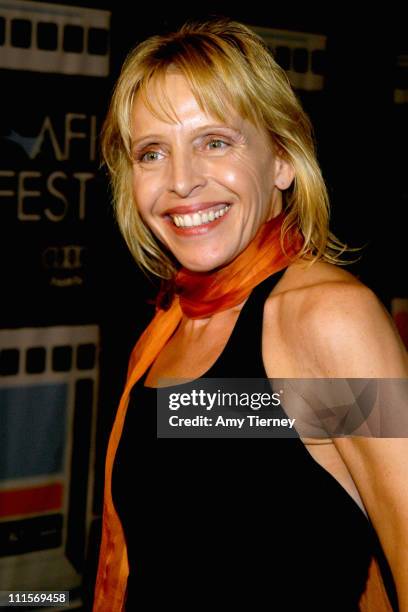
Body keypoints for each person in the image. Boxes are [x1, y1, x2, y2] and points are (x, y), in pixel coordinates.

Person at [93, 17, 408, 612]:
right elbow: (255, 441)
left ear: (283, 161)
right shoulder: (175, 324)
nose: (182, 181)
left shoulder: (326, 320)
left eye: (215, 142)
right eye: (152, 152)